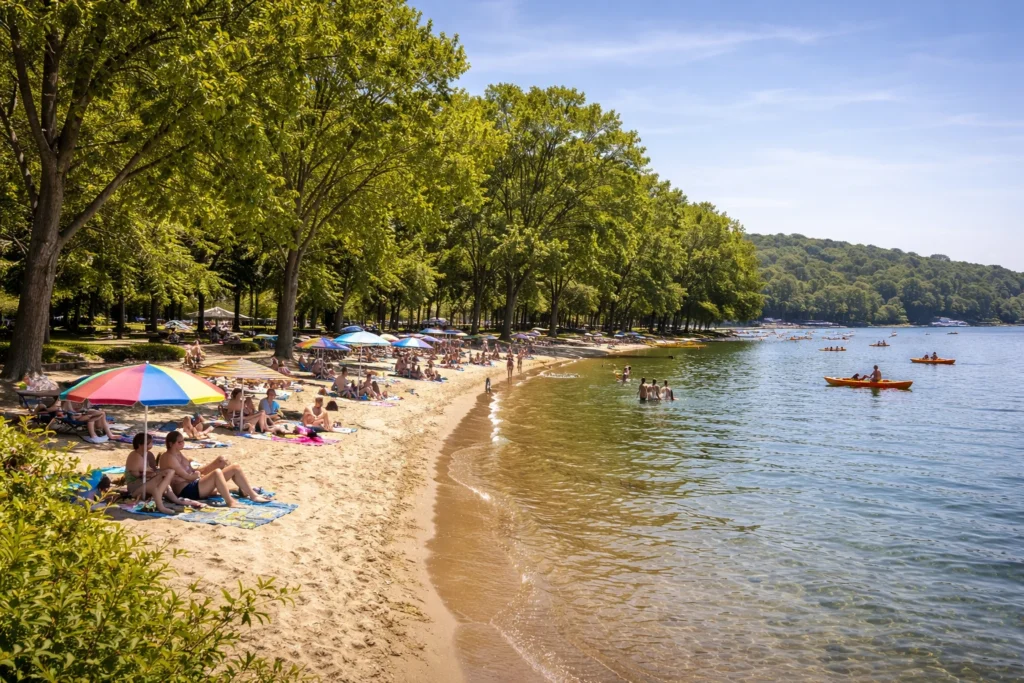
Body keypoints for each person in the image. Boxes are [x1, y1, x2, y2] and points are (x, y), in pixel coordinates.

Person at [159, 431, 268, 506]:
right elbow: (187, 476)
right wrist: (196, 475)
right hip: (187, 490)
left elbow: (192, 473)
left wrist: (212, 465)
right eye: (179, 442)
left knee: (235, 467)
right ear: (170, 443)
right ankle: (230, 502)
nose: (182, 443)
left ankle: (253, 495)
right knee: (216, 473)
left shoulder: (179, 454)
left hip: (193, 484)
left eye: (183, 441)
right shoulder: (169, 457)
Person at [125, 433, 195, 514]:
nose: (151, 445)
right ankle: (160, 504)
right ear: (140, 445)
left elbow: (153, 470)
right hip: (136, 487)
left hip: (146, 482)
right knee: (168, 473)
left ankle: (175, 500)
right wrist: (153, 474)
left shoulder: (149, 454)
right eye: (148, 443)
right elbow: (138, 475)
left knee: (168, 474)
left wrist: (155, 474)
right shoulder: (134, 456)